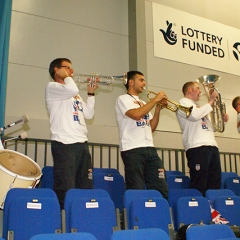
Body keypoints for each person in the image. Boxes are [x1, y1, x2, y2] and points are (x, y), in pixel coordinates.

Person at [45, 58, 98, 209]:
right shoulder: (52, 87)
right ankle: (64, 221)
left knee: (85, 186)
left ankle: (81, 218)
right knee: (66, 188)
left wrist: (91, 93)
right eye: (67, 68)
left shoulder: (74, 93)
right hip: (64, 144)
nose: (72, 71)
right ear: (56, 70)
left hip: (81, 144)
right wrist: (67, 78)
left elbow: (88, 114)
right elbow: (72, 89)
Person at [115, 70, 168, 199]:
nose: (144, 83)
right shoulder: (123, 99)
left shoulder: (144, 103)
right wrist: (155, 100)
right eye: (141, 80)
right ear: (131, 82)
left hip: (149, 148)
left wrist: (157, 110)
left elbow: (151, 127)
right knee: (136, 188)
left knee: (160, 187)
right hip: (132, 149)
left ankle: (159, 215)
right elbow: (136, 115)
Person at [176, 81, 229, 195]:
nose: (200, 91)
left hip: (211, 145)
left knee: (214, 181)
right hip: (197, 146)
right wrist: (210, 101)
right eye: (197, 88)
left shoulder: (198, 106)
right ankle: (198, 209)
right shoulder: (183, 102)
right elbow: (194, 116)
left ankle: (213, 209)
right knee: (199, 181)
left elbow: (210, 127)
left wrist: (221, 121)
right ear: (189, 90)